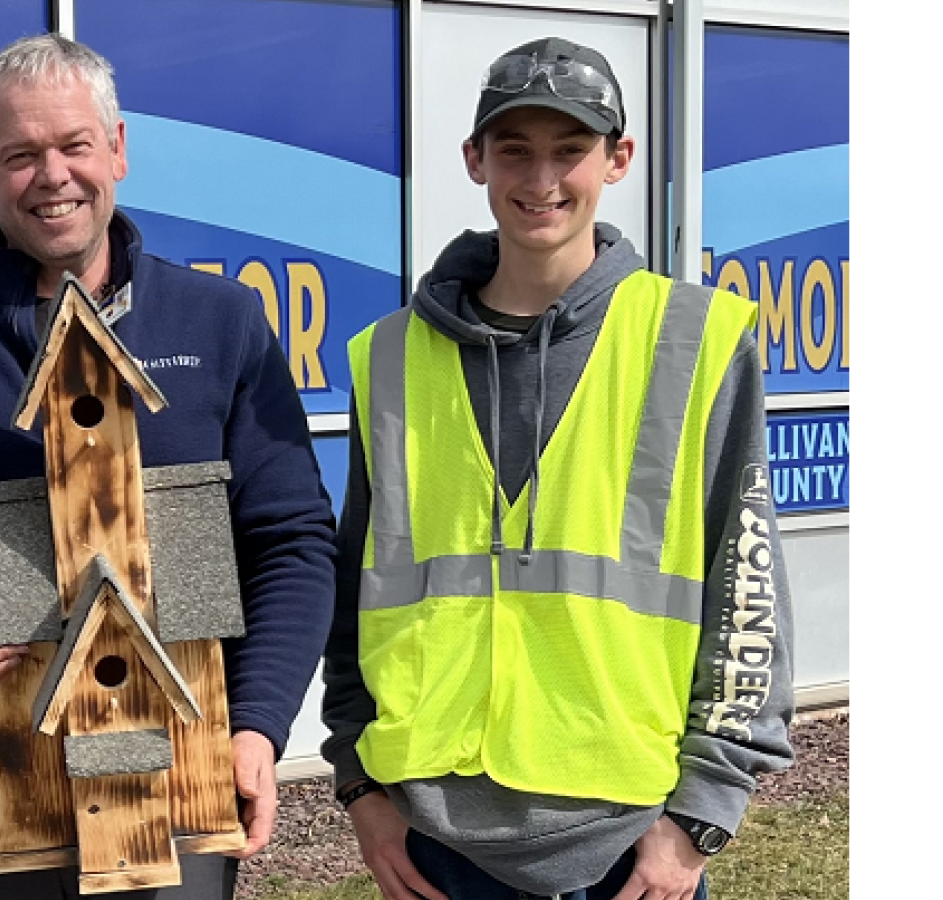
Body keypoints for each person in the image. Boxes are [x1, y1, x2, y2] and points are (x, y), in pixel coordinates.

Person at [0, 32, 337, 900]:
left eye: (74, 145)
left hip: (174, 787)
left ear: (116, 149)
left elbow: (292, 541)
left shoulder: (220, 323)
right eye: (20, 155)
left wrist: (259, 725)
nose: (52, 176)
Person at [320, 37, 795, 900]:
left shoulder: (697, 340)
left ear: (618, 160)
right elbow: (353, 586)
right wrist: (359, 785)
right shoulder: (387, 357)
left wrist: (696, 819)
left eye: (570, 150)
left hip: (626, 841)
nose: (542, 180)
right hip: (433, 839)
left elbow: (748, 596)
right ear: (474, 160)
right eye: (515, 150)